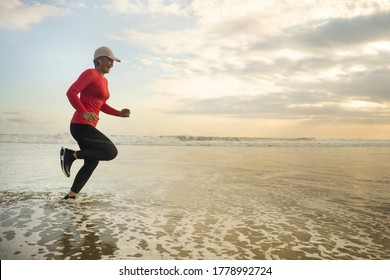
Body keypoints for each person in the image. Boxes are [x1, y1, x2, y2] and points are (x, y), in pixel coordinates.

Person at [60, 46, 130, 200]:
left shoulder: (104, 81)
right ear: (99, 59)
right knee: (111, 152)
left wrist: (119, 113)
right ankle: (70, 154)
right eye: (109, 60)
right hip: (80, 125)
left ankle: (71, 197)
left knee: (92, 162)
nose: (112, 64)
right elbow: (71, 92)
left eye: (113, 62)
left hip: (87, 126)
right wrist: (84, 111)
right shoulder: (90, 73)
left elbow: (101, 105)